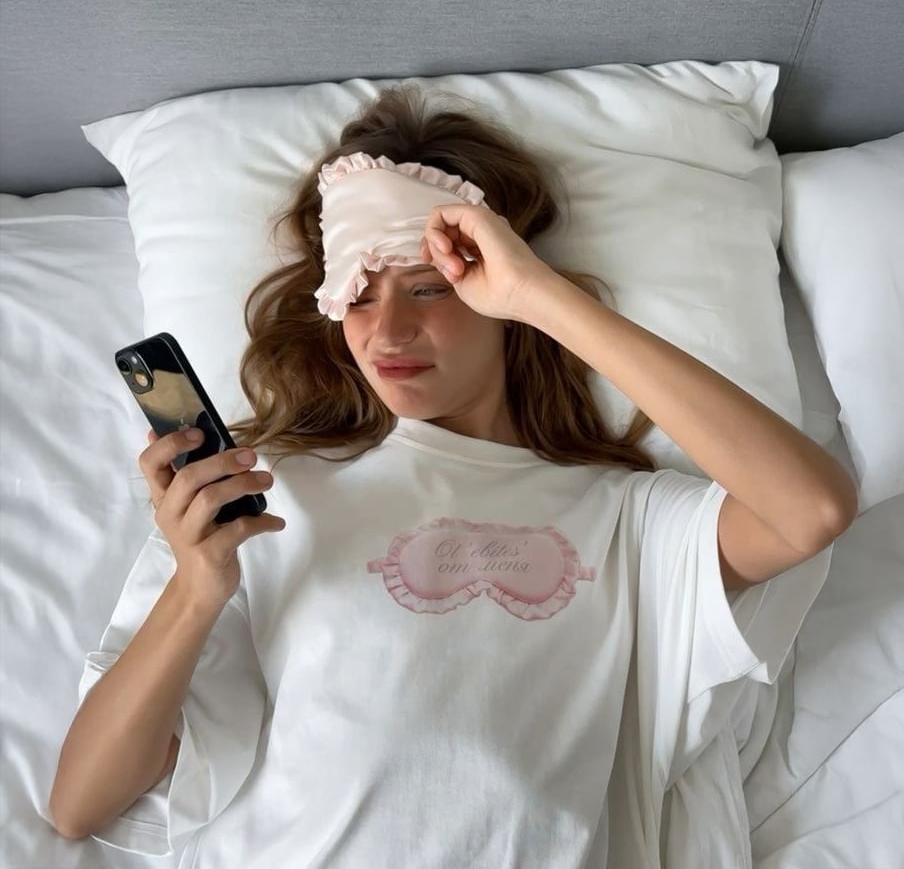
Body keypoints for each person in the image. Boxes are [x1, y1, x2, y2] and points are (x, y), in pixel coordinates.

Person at [49, 84, 857, 868]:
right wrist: (197, 586)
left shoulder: (625, 518)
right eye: (358, 296)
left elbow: (810, 510)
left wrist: (539, 297)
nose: (387, 330)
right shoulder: (258, 497)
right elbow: (81, 803)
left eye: (429, 288)